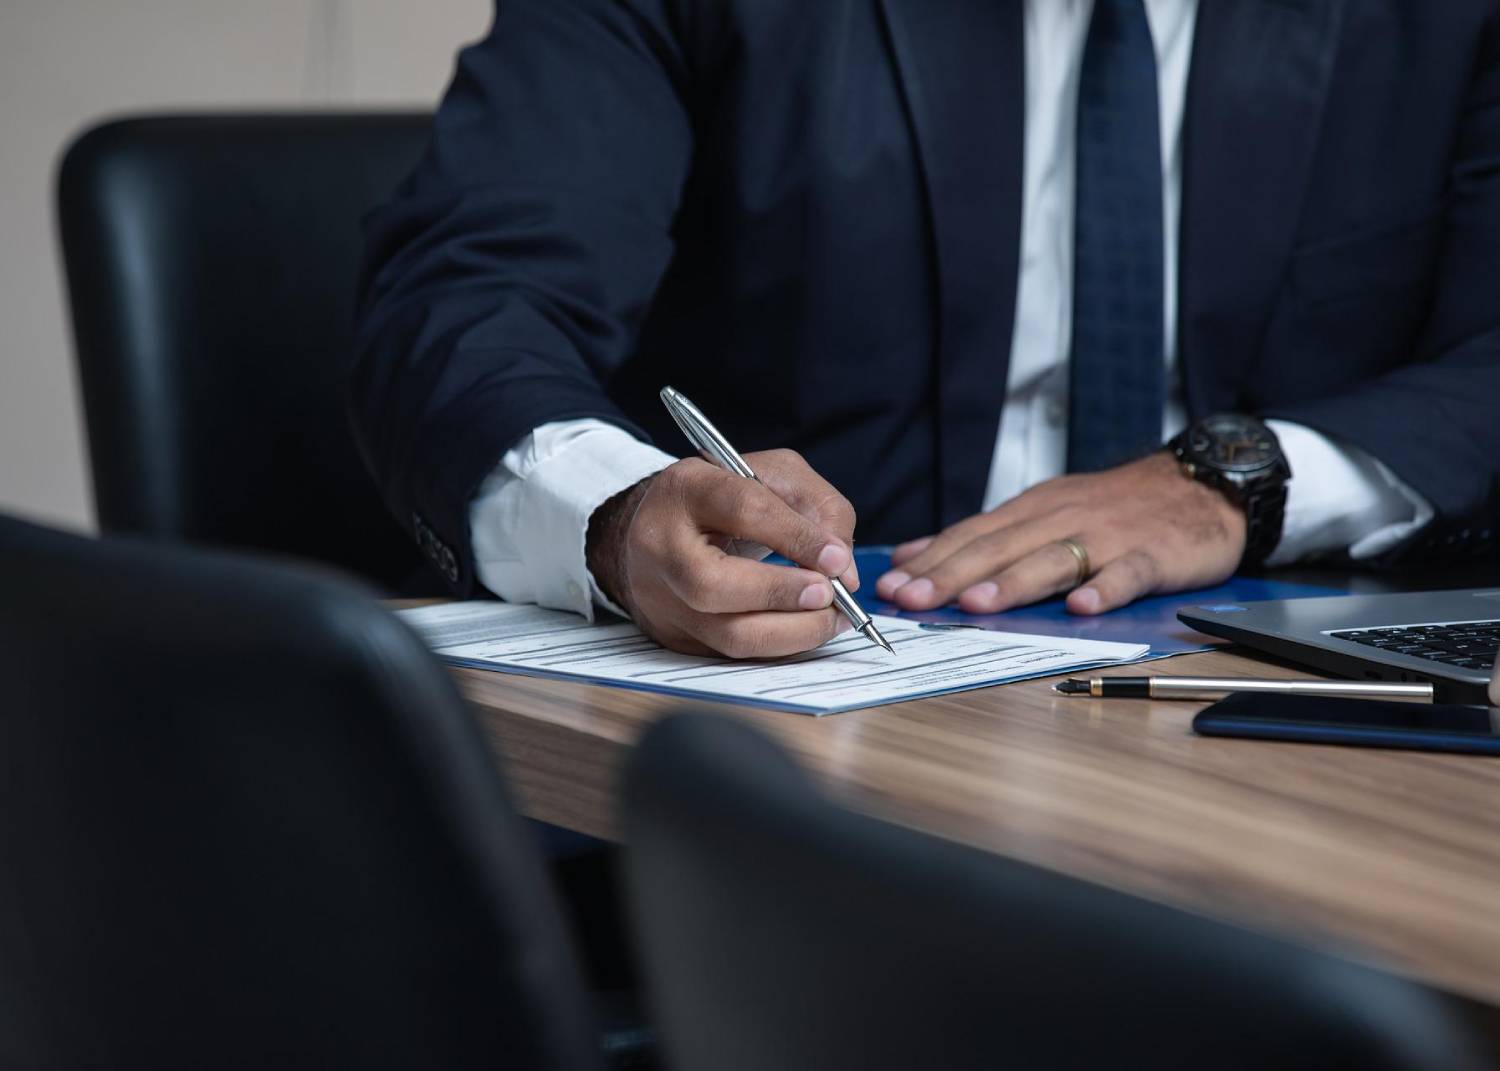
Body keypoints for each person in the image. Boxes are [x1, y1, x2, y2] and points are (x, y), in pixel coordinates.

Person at [351, 0, 1500, 660]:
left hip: (1247, 710)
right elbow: (466, 303)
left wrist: (1236, 482)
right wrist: (616, 517)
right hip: (798, 713)